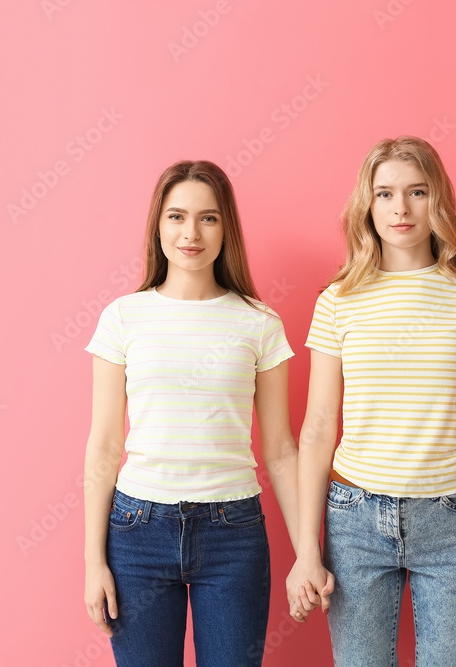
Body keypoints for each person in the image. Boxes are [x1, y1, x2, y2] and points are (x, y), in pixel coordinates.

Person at [286, 136, 456, 666]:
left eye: (417, 192)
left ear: (439, 200)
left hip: (454, 519)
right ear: (367, 205)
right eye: (385, 194)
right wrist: (306, 550)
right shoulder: (339, 300)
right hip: (355, 520)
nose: (401, 208)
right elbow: (318, 428)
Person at [82, 160, 301, 667]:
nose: (191, 233)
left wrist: (307, 553)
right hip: (137, 532)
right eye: (177, 216)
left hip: (234, 534)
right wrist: (94, 562)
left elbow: (281, 450)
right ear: (158, 224)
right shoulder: (123, 317)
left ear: (227, 228)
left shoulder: (259, 322)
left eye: (208, 218)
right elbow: (105, 445)